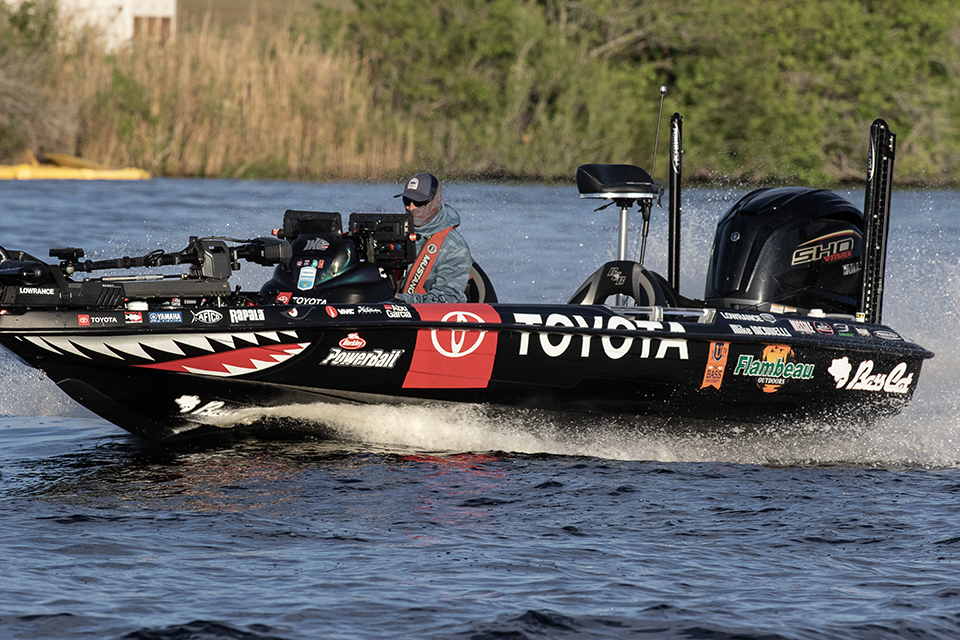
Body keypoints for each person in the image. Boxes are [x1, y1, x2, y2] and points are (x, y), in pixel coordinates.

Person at [394, 172, 472, 303]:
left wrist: (397, 300)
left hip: (435, 314)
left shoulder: (455, 246)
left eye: (418, 202)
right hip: (392, 309)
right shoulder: (395, 233)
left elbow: (446, 298)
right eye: (406, 200)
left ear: (434, 201)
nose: (411, 207)